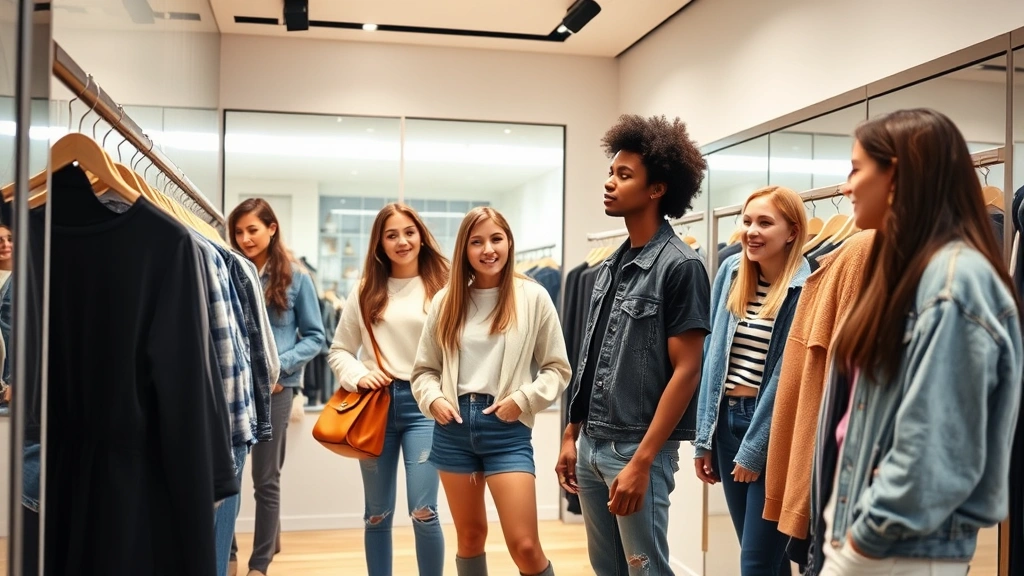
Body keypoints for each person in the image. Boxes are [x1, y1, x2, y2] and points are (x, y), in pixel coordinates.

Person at [808, 108, 1023, 575]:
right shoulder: (903, 273)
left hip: (897, 550)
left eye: (856, 168)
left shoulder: (954, 284)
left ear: (896, 177)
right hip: (869, 536)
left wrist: (858, 548)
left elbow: (935, 450)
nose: (846, 186)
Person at [557, 114, 711, 576]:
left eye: (624, 176)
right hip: (591, 444)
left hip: (636, 448)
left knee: (646, 569)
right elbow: (592, 357)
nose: (609, 183)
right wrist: (571, 433)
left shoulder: (682, 266)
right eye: (611, 172)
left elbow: (688, 370)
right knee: (607, 570)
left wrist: (643, 460)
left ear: (657, 189)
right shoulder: (609, 267)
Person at [412, 206, 571, 576]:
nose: (488, 249)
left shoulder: (533, 297)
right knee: (469, 537)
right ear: (464, 249)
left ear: (509, 242)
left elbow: (557, 368)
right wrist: (433, 398)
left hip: (507, 432)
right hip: (451, 431)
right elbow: (423, 371)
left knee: (526, 546)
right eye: (477, 241)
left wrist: (524, 399)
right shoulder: (446, 300)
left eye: (496, 239)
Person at [693, 186, 810, 575]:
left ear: (792, 232)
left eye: (764, 222)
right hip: (727, 422)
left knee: (756, 563)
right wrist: (703, 438)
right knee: (765, 559)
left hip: (774, 432)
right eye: (746, 221)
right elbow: (712, 354)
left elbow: (789, 377)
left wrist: (755, 448)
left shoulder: (807, 287)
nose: (751, 231)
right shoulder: (731, 271)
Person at [327, 203, 450, 576]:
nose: (402, 241)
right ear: (379, 243)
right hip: (375, 406)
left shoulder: (443, 285)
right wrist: (357, 375)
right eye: (391, 234)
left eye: (409, 232)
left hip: (424, 406)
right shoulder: (365, 288)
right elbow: (339, 349)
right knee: (376, 514)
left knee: (424, 511)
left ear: (421, 236)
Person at [228, 198, 327, 576]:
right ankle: (230, 554)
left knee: (265, 480)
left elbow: (316, 336)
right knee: (230, 474)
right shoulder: (230, 270)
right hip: (235, 389)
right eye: (238, 232)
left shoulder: (297, 277)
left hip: (277, 390)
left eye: (252, 229)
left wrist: (277, 366)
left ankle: (260, 563)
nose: (245, 238)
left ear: (271, 229)